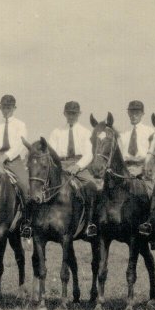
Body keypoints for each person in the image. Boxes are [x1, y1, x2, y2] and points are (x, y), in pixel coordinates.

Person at [47, 101, 98, 237]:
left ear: (79, 114)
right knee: (39, 185)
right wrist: (57, 167)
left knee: (92, 186)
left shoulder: (85, 132)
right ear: (64, 113)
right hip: (60, 165)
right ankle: (33, 223)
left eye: (74, 113)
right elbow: (51, 153)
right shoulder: (56, 132)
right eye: (69, 113)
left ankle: (90, 224)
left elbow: (89, 154)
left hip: (79, 165)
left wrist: (78, 166)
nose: (71, 116)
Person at [0, 94, 31, 235]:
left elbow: (20, 145)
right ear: (0, 108)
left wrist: (5, 156)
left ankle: (27, 222)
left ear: (14, 108)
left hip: (13, 161)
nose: (6, 110)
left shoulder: (20, 125)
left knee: (26, 186)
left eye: (9, 107)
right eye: (4, 107)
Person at [119, 100, 154, 195]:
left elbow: (153, 156)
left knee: (151, 195)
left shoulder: (150, 132)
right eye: (131, 112)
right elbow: (120, 156)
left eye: (137, 113)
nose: (134, 115)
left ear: (142, 114)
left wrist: (141, 169)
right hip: (126, 170)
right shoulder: (123, 133)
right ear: (128, 113)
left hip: (145, 170)